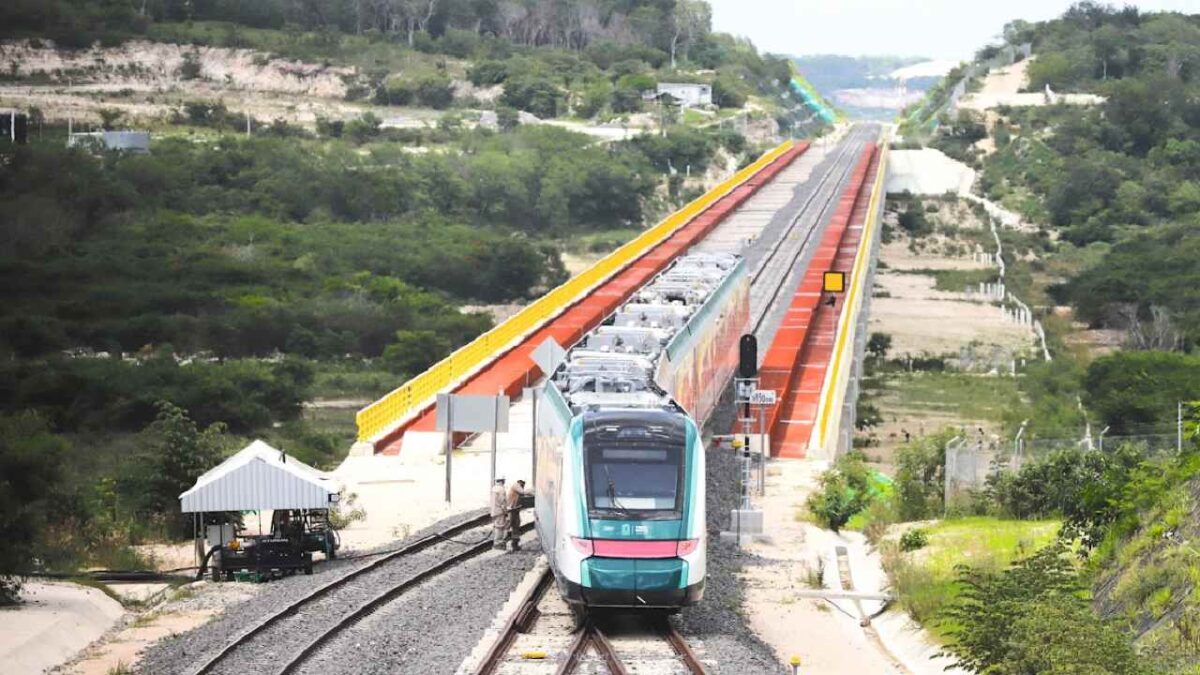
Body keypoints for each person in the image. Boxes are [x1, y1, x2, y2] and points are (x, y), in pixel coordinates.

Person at [505, 480, 532, 551]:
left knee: (516, 527)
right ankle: (501, 544)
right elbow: (523, 492)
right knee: (507, 526)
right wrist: (533, 491)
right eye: (523, 484)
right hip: (510, 510)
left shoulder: (519, 487)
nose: (523, 485)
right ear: (520, 482)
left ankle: (515, 545)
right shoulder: (516, 485)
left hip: (515, 510)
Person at [490, 477, 509, 550]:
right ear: (502, 481)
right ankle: (498, 544)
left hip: (494, 511)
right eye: (504, 481)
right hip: (500, 511)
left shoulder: (494, 488)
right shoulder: (501, 489)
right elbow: (503, 502)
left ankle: (496, 543)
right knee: (500, 527)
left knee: (496, 526)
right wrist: (506, 512)